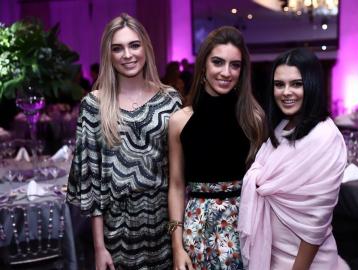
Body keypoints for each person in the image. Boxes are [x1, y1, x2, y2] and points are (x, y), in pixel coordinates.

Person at [66, 13, 182, 270]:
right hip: (116, 229)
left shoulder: (170, 99)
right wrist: (99, 248)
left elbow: (179, 176)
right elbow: (92, 182)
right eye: (117, 48)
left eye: (134, 45)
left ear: (146, 48)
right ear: (108, 54)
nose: (127, 55)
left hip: (164, 223)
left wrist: (179, 240)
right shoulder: (94, 104)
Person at [237, 48, 349, 270]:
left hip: (306, 262)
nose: (286, 92)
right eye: (279, 85)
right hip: (271, 254)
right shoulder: (281, 127)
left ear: (312, 85)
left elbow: (316, 221)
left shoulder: (325, 136)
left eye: (297, 84)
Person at [168, 26, 267, 270]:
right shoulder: (180, 120)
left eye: (235, 65)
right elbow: (177, 185)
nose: (226, 72)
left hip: (245, 227)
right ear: (203, 66)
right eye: (218, 62)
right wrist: (177, 246)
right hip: (196, 229)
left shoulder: (253, 118)